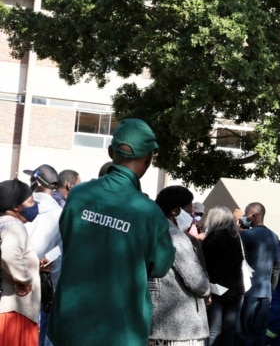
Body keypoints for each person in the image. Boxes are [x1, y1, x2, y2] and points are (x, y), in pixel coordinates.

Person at [47, 118, 176, 346]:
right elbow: (160, 266)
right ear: (149, 159)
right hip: (120, 330)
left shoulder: (78, 195)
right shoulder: (149, 213)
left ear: (110, 152)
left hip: (70, 324)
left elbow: (68, 236)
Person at [149, 185, 210, 346]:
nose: (192, 217)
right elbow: (197, 281)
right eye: (190, 212)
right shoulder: (175, 236)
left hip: (153, 321)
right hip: (179, 328)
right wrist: (207, 290)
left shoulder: (147, 229)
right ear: (176, 211)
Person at [22, 164, 64, 346]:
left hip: (12, 279)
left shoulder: (18, 207)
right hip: (42, 284)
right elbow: (60, 251)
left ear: (36, 182)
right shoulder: (61, 214)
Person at [0, 179, 42, 346]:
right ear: (16, 207)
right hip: (15, 309)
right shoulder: (14, 226)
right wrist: (24, 279)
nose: (34, 205)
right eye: (30, 201)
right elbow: (9, 254)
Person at [237, 202, 280, 346]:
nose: (244, 217)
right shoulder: (274, 236)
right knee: (260, 331)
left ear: (253, 216)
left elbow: (238, 261)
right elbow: (277, 266)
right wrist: (271, 288)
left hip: (248, 291)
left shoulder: (246, 236)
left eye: (246, 214)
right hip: (265, 291)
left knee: (245, 331)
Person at [201, 206, 246, 346]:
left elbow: (205, 266)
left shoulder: (211, 240)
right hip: (236, 289)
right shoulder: (236, 238)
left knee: (214, 331)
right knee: (229, 331)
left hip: (217, 290)